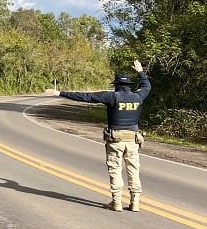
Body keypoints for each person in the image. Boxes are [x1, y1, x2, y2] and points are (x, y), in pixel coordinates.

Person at [44, 60, 151, 212]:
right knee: (133, 170)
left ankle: (117, 202)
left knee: (115, 170)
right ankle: (135, 202)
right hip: (133, 140)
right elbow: (147, 86)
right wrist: (140, 71)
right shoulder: (138, 96)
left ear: (117, 85)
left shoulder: (112, 97)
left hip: (116, 140)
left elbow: (86, 97)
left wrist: (60, 93)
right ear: (129, 86)